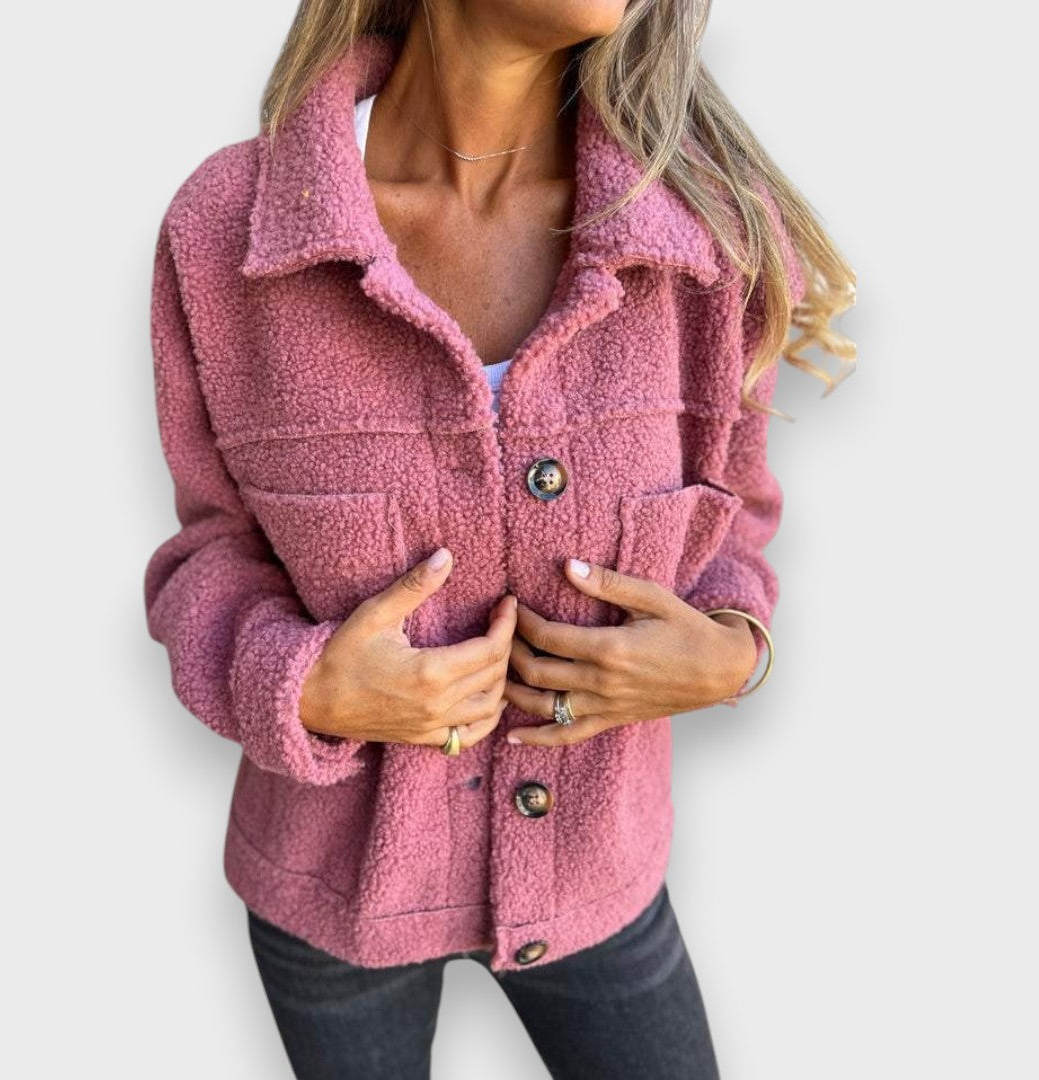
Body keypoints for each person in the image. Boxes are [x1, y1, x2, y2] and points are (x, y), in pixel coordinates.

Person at [142, 2, 855, 1076]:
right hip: (329, 894)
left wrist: (733, 650)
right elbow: (209, 553)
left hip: (601, 873)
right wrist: (304, 687)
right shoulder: (228, 231)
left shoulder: (703, 234)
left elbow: (735, 516)